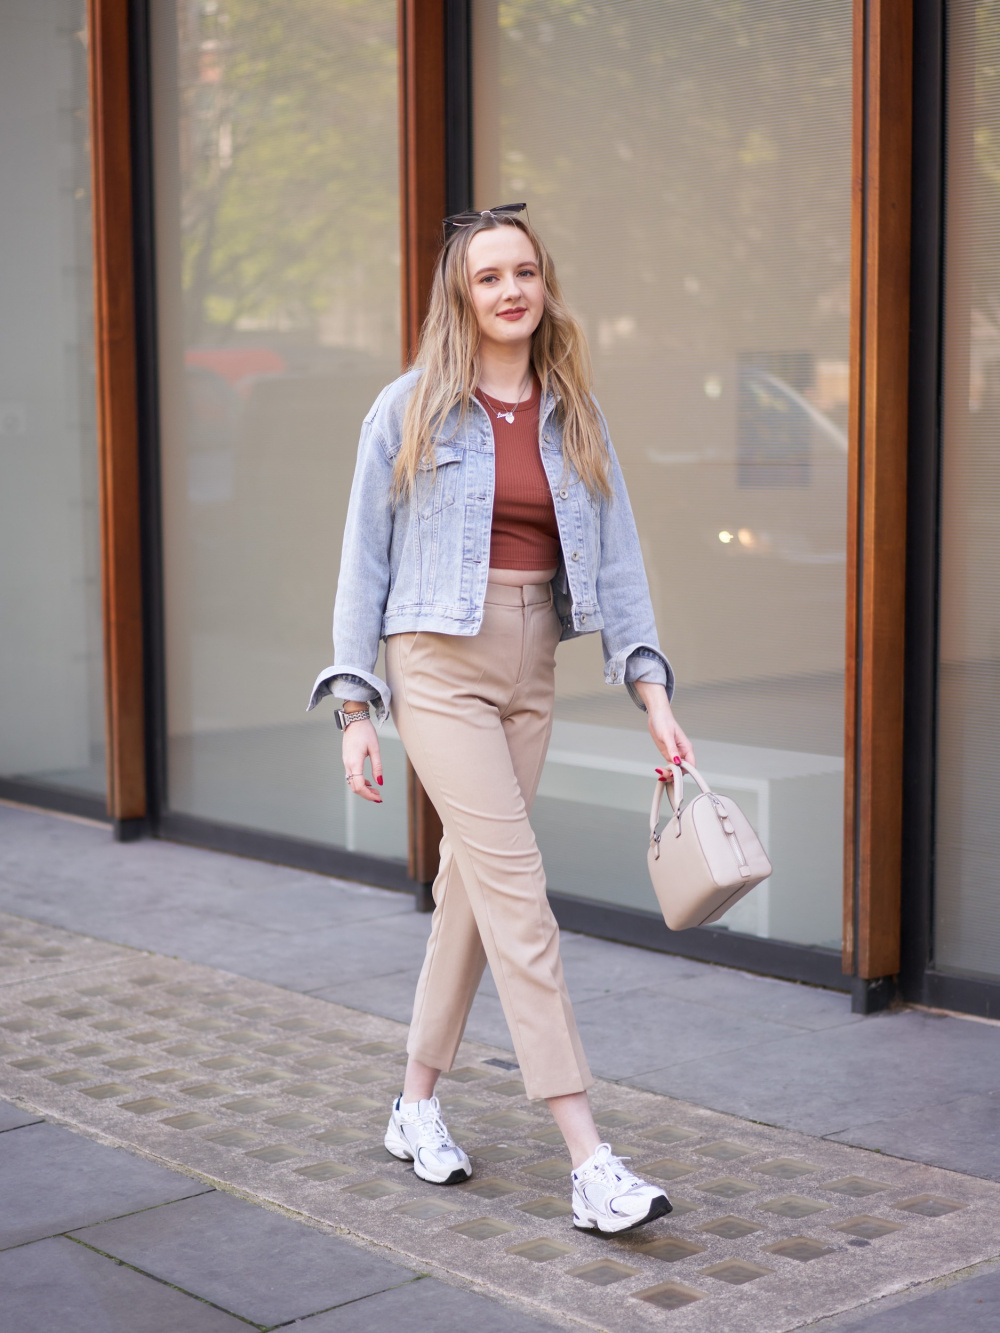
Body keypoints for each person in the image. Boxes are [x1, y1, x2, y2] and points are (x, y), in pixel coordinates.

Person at [308, 203, 695, 1235]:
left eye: (524, 271)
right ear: (461, 296)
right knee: (520, 894)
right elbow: (362, 561)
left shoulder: (576, 411)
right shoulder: (408, 410)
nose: (511, 289)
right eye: (489, 277)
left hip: (532, 662)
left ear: (543, 286)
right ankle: (588, 1157)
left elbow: (619, 561)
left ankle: (414, 1105)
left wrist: (652, 697)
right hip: (434, 659)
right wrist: (356, 705)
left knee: (472, 896)